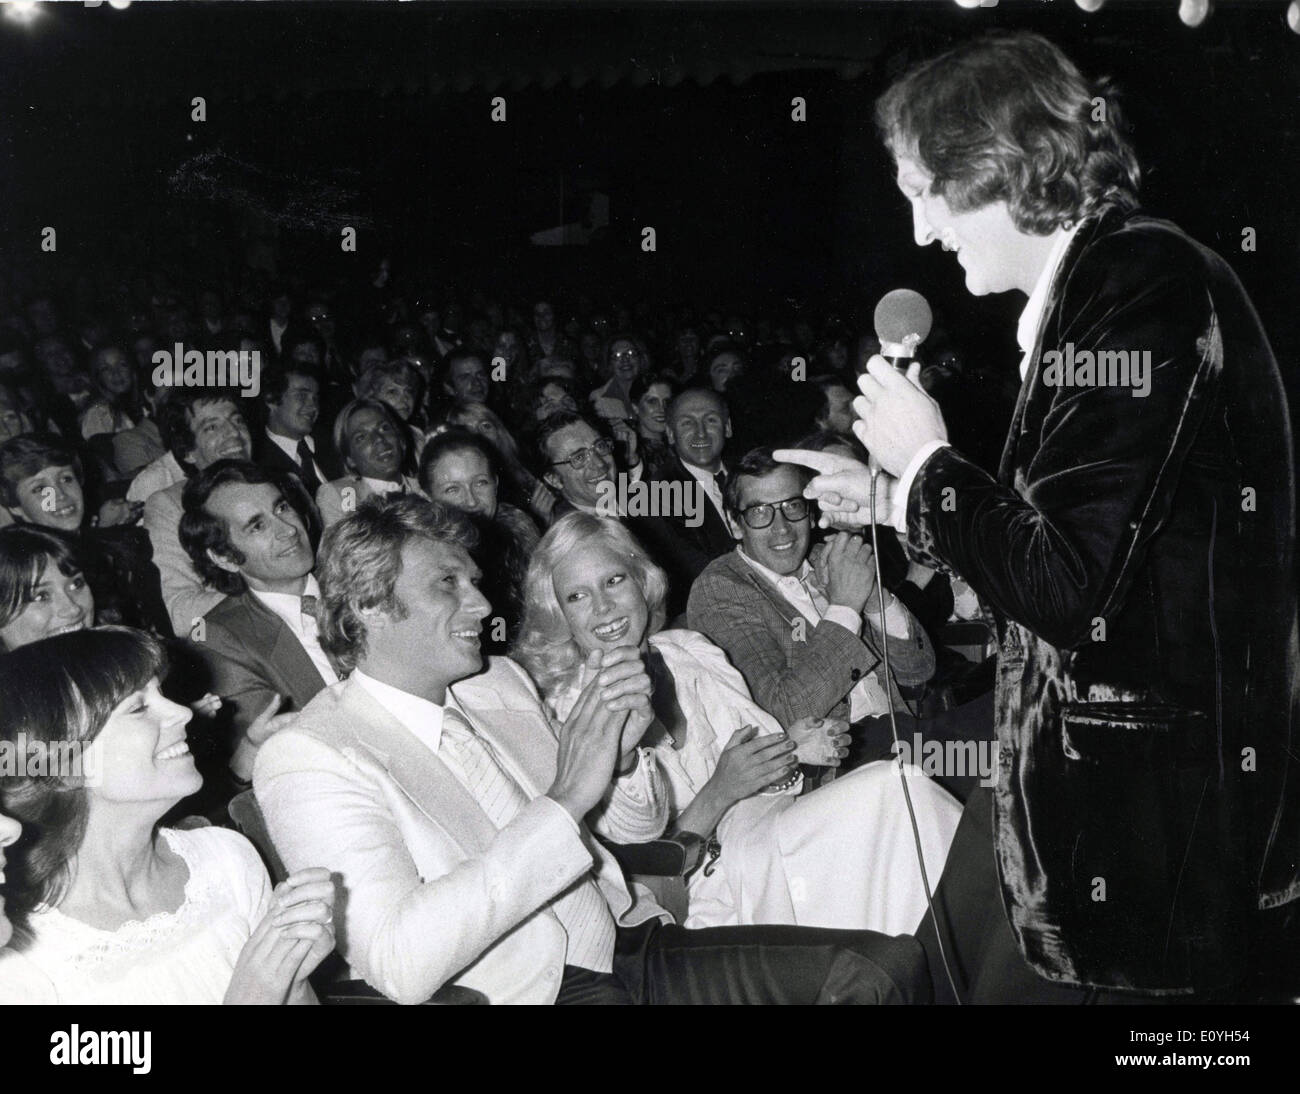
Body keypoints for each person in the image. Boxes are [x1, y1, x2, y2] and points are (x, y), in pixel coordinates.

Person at [777, 30, 1300, 1000]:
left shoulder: (1137, 284)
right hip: (1102, 811)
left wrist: (927, 461)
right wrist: (893, 499)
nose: (924, 231)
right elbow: (1095, 541)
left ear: (993, 163)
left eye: (924, 191)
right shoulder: (1105, 286)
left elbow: (1066, 581)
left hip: (1152, 836)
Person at [254, 496, 929, 1005]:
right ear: (371, 607)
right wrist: (565, 798)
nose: (482, 601)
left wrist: (626, 760)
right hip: (538, 989)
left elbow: (626, 832)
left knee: (877, 973)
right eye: (448, 585)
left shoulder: (496, 683)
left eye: (475, 580)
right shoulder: (310, 755)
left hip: (629, 935)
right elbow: (399, 961)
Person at [515, 512, 961, 934]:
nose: (603, 607)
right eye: (577, 596)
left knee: (906, 795)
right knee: (898, 790)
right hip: (713, 878)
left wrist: (791, 746)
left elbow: (770, 764)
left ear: (641, 581)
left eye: (614, 581)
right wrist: (723, 788)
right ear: (558, 613)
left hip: (777, 826)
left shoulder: (688, 650)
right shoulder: (564, 710)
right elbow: (640, 862)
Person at [0, 628, 336, 1003]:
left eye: (163, 693)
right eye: (139, 708)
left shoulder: (226, 858)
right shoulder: (20, 954)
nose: (181, 712)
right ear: (63, 766)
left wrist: (292, 979)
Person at [688, 448, 935, 763]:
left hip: (905, 734)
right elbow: (784, 712)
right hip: (840, 760)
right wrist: (845, 606)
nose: (782, 528)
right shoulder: (721, 589)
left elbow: (919, 670)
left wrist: (874, 598)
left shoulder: (825, 558)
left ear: (810, 512)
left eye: (792, 506)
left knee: (1005, 744)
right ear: (736, 525)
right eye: (760, 512)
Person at [180, 460, 334, 785]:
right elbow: (291, 760)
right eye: (257, 526)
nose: (289, 529)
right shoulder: (219, 640)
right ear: (224, 557)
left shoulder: (355, 576)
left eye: (282, 508)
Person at [142, 388, 254, 635]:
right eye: (212, 428)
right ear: (188, 452)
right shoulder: (169, 506)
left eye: (237, 420)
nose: (235, 433)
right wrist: (268, 592)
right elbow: (180, 613)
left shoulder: (285, 484)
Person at [419, 430, 540, 650]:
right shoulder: (426, 556)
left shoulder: (519, 528)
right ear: (428, 497)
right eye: (452, 489)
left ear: (496, 483)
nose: (471, 501)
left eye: (480, 483)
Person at [316, 398, 423, 528]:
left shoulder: (425, 490)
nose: (378, 439)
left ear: (400, 440)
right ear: (350, 458)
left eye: (384, 428)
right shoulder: (342, 494)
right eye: (361, 437)